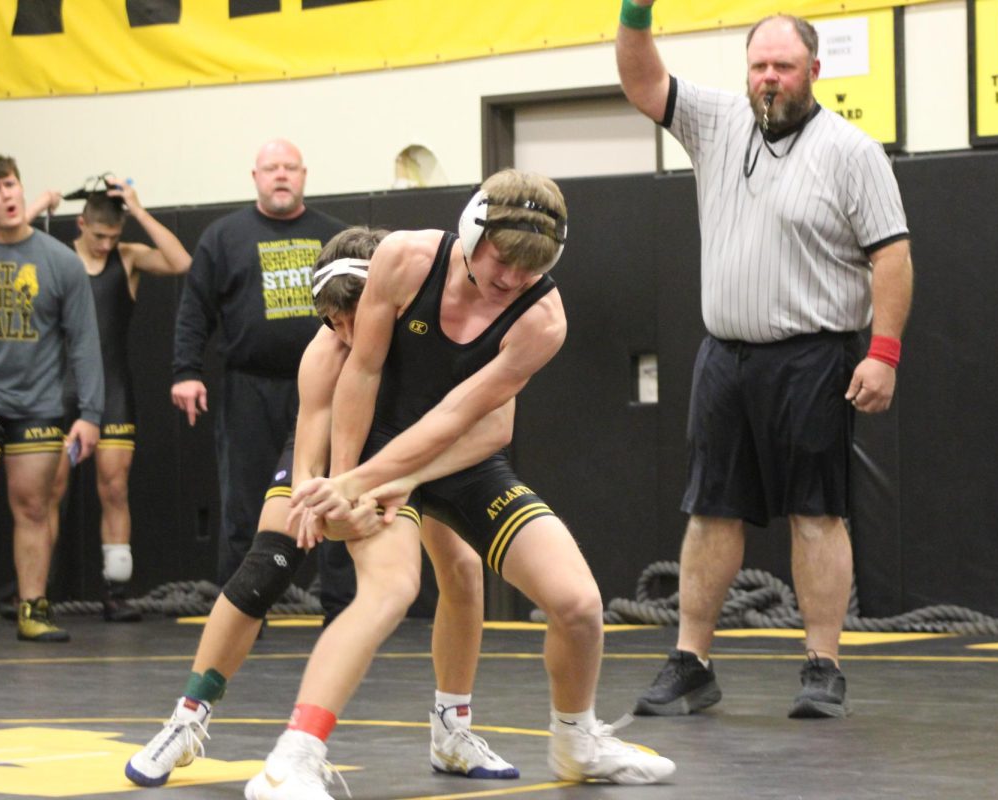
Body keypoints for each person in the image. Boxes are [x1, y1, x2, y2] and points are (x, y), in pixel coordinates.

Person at [244, 169, 676, 800]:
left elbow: (470, 421)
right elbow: (360, 369)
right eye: (501, 263)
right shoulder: (406, 259)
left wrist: (401, 476)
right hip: (376, 440)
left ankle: (573, 740)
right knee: (390, 590)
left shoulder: (542, 320)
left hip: (457, 458)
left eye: (528, 272)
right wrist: (348, 478)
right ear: (473, 229)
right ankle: (293, 757)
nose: (509, 282)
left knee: (578, 604)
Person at [125, 227, 519, 787]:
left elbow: (484, 425)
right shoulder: (327, 351)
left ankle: (452, 729)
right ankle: (187, 717)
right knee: (268, 563)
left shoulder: (438, 333)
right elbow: (312, 446)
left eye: (355, 318)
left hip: (416, 456)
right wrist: (318, 498)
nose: (347, 333)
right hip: (346, 453)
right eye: (333, 321)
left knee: (462, 570)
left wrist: (394, 481)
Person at [616, 7, 913, 719]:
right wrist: (634, 13)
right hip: (726, 356)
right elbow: (641, 79)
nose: (769, 78)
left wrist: (884, 352)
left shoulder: (852, 151)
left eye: (783, 66)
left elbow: (892, 257)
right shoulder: (717, 123)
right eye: (759, 66)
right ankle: (692, 661)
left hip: (814, 356)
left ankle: (822, 666)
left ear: (814, 70)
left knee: (816, 512)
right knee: (710, 511)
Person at [170, 139, 354, 610]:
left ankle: (341, 606)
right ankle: (244, 609)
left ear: (304, 175)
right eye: (271, 168)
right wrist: (186, 371)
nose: (281, 175)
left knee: (335, 489)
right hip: (249, 387)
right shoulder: (223, 236)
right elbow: (194, 310)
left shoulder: (333, 237)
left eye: (289, 167)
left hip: (330, 383)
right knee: (244, 501)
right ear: (255, 177)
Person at [0, 155, 104, 644]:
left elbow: (85, 343)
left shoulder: (60, 262)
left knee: (33, 507)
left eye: (10, 185)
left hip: (38, 404)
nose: (7, 196)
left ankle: (33, 607)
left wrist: (91, 414)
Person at [26, 180, 192, 621]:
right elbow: (2, 245)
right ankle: (34, 593)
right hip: (59, 392)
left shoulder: (127, 258)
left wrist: (138, 210)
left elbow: (181, 261)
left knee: (115, 488)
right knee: (50, 491)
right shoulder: (54, 257)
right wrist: (38, 204)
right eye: (98, 236)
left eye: (113, 237)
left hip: (113, 390)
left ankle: (115, 590)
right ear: (81, 224)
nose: (105, 245)